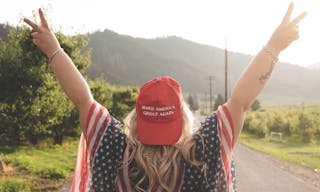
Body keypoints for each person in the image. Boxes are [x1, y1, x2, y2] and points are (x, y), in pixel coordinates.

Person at [24, 3, 306, 192]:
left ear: (135, 122)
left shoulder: (112, 151)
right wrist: (274, 46)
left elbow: (82, 99)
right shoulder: (205, 155)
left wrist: (54, 50)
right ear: (184, 120)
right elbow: (240, 100)